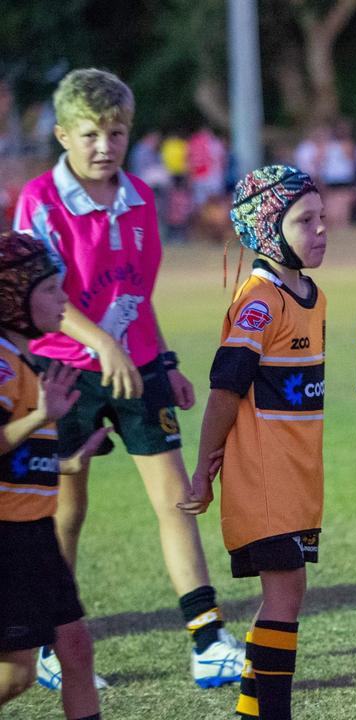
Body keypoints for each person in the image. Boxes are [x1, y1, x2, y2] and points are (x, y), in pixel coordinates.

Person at [11, 67, 243, 690]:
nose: (103, 145)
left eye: (115, 132)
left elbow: (135, 295)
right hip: (61, 373)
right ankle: (53, 646)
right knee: (65, 505)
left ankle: (208, 639)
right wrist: (102, 344)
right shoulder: (41, 201)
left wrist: (163, 359)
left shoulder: (141, 197)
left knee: (175, 497)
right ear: (62, 134)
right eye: (89, 133)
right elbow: (44, 297)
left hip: (137, 367)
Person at [177, 165, 328, 720]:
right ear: (266, 230)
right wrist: (203, 469)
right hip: (263, 478)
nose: (321, 230)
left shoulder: (311, 294)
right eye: (304, 221)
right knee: (286, 597)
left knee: (285, 597)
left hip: (296, 476)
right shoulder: (260, 300)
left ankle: (248, 711)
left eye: (322, 217)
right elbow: (224, 390)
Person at [0, 231, 107, 719]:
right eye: (48, 289)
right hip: (8, 537)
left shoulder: (28, 361)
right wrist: (39, 418)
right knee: (17, 673)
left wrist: (66, 462)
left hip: (36, 531)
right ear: (13, 297)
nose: (63, 299)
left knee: (76, 650)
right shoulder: (2, 366)